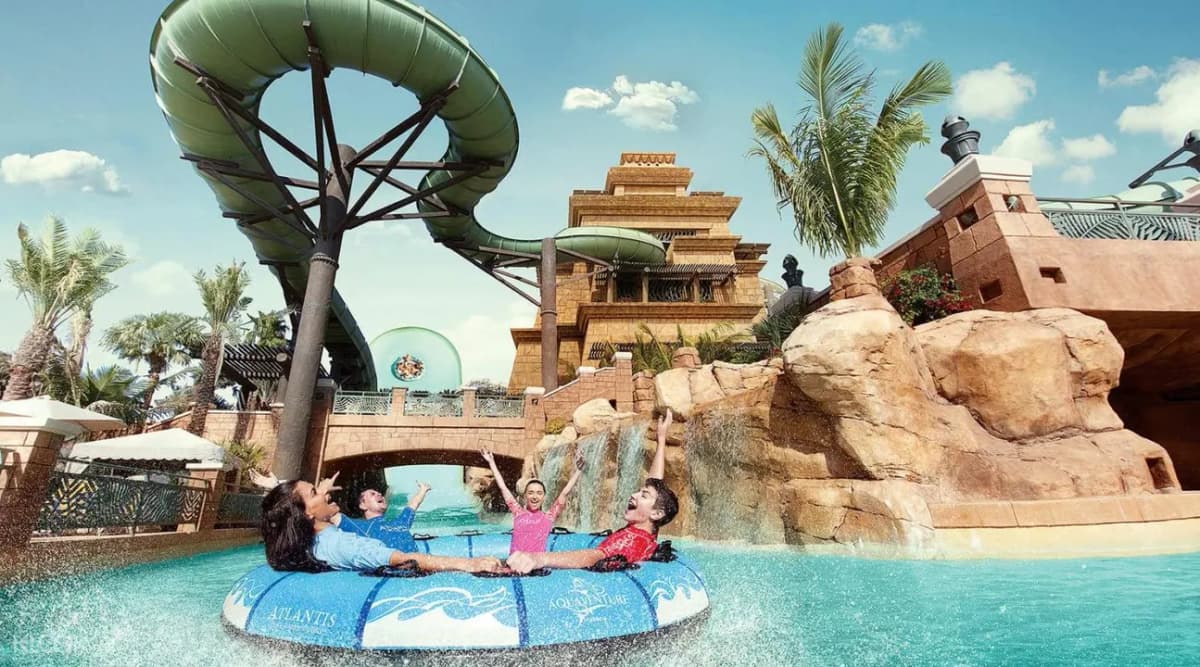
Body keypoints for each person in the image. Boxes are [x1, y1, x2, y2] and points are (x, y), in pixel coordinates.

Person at [506, 409, 680, 574]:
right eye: (639, 491)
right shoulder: (647, 533)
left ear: (657, 513)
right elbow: (655, 482)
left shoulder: (632, 540)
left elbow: (594, 556)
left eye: (643, 495)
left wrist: (539, 559)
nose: (634, 494)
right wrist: (662, 438)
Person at [260, 472, 500, 574]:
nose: (324, 493)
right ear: (362, 506)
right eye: (315, 492)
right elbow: (396, 558)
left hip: (408, 564)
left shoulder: (397, 523)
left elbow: (411, 507)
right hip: (406, 569)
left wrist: (423, 490)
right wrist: (470, 564)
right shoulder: (353, 533)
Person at [480, 447, 584, 554]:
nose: (535, 497)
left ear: (544, 497)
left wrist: (578, 471)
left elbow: (564, 493)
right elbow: (503, 487)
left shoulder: (549, 516)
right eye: (531, 493)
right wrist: (491, 462)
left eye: (539, 493)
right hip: (515, 566)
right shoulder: (518, 512)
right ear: (525, 496)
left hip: (537, 567)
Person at [335, 481, 430, 552]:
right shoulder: (359, 526)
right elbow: (331, 515)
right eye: (373, 494)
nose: (380, 494)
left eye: (379, 493)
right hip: (391, 570)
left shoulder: (400, 521)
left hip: (417, 568)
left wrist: (423, 489)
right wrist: (322, 492)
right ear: (363, 505)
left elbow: (412, 505)